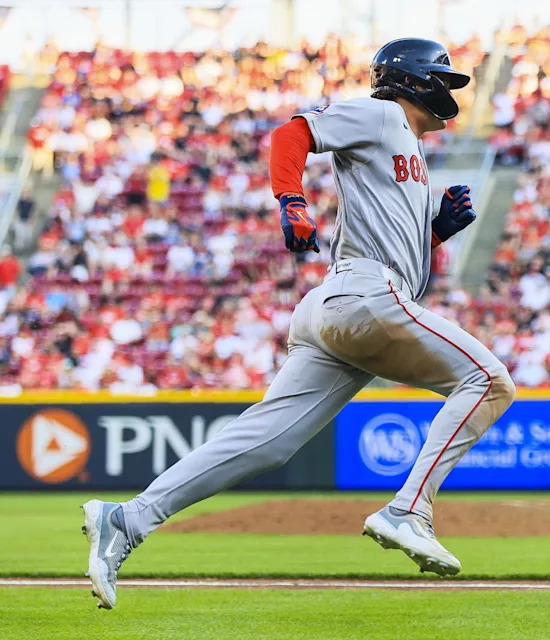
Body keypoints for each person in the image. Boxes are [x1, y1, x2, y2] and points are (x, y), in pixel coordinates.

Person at [80, 38, 516, 610]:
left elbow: (389, 242)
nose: (449, 90)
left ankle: (128, 518)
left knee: (264, 442)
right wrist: (291, 199)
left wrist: (436, 233)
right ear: (413, 80)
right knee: (489, 382)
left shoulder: (402, 141)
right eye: (442, 78)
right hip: (362, 293)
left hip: (343, 303)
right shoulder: (383, 112)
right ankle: (409, 509)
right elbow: (292, 133)